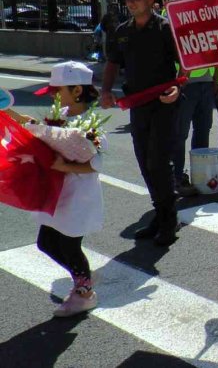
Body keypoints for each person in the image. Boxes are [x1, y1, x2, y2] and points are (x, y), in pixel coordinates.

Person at [101, 0, 182, 247]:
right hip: (137, 105)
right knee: (144, 161)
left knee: (158, 161)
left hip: (164, 104)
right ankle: (160, 216)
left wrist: (179, 88)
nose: (131, 2)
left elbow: (186, 63)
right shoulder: (122, 31)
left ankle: (169, 221)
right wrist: (105, 90)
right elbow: (112, 62)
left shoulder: (166, 29)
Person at [28, 61, 106, 317]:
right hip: (57, 191)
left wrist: (66, 166)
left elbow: (96, 163)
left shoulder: (90, 122)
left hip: (78, 195)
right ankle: (82, 276)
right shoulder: (60, 117)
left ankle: (84, 294)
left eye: (58, 90)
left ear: (77, 91)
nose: (54, 96)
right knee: (46, 242)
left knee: (70, 245)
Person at [172, 0, 214, 196]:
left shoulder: (207, 14)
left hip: (206, 82)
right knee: (179, 134)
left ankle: (200, 175)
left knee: (203, 130)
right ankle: (177, 178)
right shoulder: (172, 15)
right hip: (184, 84)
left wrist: (214, 77)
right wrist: (177, 82)